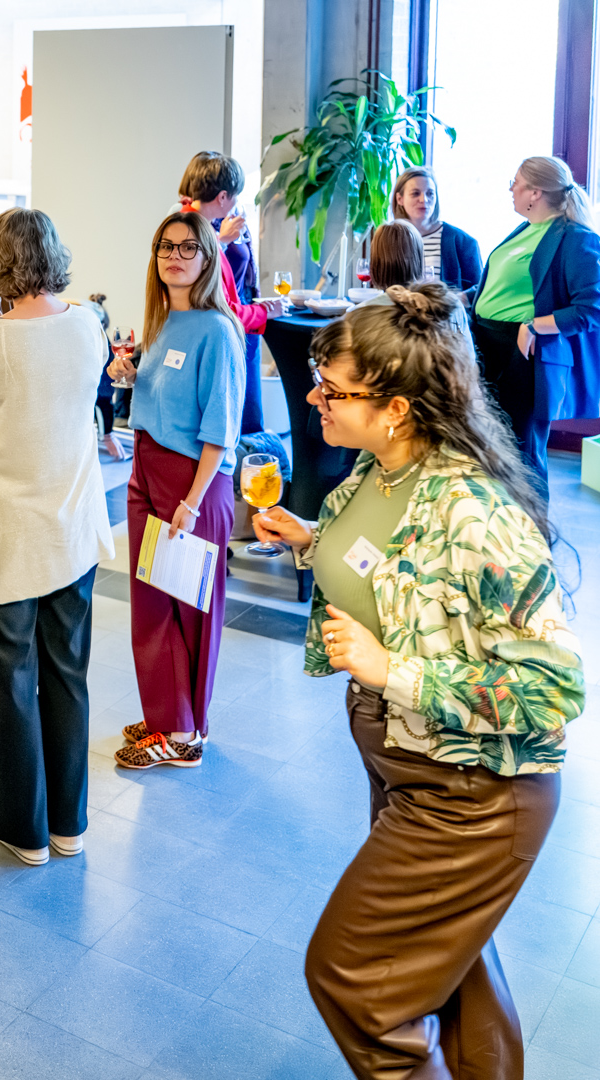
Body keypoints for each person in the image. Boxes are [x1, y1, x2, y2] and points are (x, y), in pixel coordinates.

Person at [252, 284, 583, 1080]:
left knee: (355, 981)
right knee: (458, 980)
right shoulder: (377, 475)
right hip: (408, 768)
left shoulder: (476, 513)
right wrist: (310, 541)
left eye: (333, 390)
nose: (314, 398)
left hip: (473, 795)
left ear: (395, 408)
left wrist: (390, 669)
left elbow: (555, 689)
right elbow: (391, 568)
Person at [0, 208, 114, 864]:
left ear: (0, 262)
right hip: (72, 527)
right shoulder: (88, 324)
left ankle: (24, 830)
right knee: (68, 673)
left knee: (13, 676)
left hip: (9, 535)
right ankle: (70, 824)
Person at [107, 211, 245, 769]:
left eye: (189, 247)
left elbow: (220, 427)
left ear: (208, 257)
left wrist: (192, 500)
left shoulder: (217, 329)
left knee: (189, 608)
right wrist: (131, 376)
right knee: (153, 602)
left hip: (193, 481)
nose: (175, 256)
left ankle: (184, 734)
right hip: (148, 469)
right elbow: (166, 393)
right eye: (166, 246)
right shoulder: (163, 320)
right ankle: (168, 713)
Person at [472, 155, 600, 493]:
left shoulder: (576, 238)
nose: (510, 189)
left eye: (515, 183)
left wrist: (533, 327)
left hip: (525, 352)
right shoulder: (524, 230)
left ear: (535, 192)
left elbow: (591, 309)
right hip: (487, 344)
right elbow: (501, 286)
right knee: (490, 447)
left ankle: (533, 526)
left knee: (523, 452)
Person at [179, 151, 285, 435]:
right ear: (223, 197)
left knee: (242, 413)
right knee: (234, 417)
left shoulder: (210, 224)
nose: (237, 201)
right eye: (235, 195)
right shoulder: (192, 231)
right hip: (227, 325)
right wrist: (263, 311)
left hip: (239, 317)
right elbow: (218, 305)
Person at [391, 165, 482, 291]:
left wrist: (462, 298)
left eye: (430, 194)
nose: (424, 199)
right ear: (399, 199)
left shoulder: (463, 242)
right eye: (415, 193)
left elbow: (480, 289)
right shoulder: (391, 240)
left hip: (445, 304)